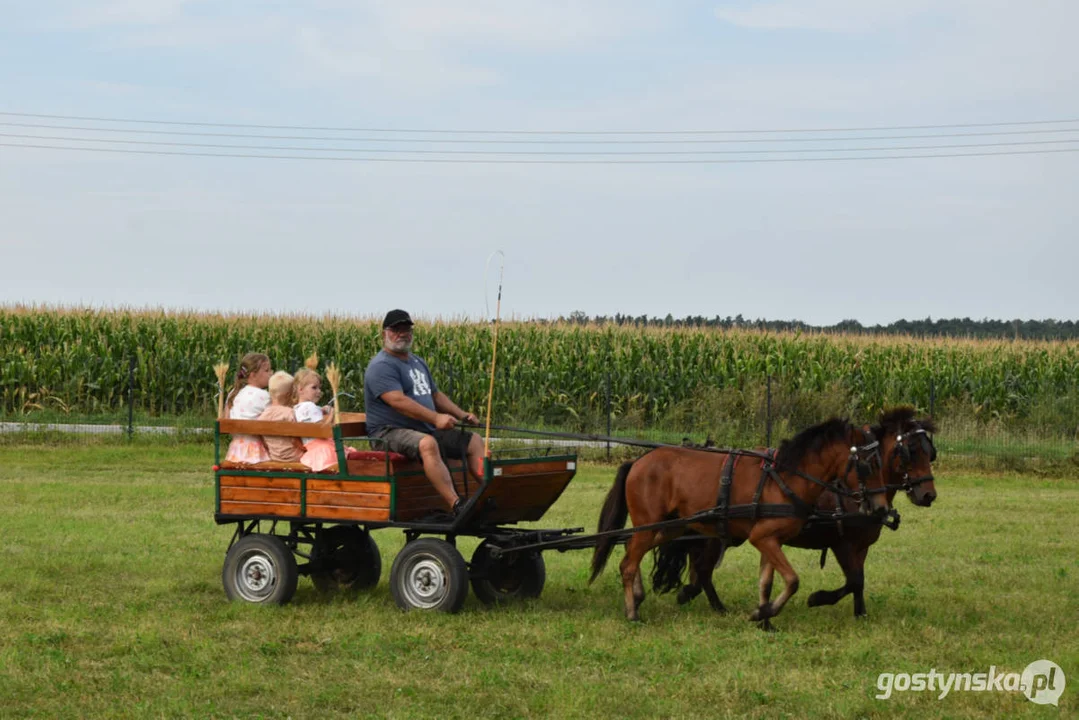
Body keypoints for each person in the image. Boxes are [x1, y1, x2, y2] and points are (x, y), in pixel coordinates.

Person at [364, 309, 482, 514]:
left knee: (474, 441)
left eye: (406, 329)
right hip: (388, 432)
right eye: (396, 329)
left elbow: (435, 395)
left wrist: (462, 415)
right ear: (384, 333)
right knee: (428, 444)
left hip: (423, 428)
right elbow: (397, 401)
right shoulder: (381, 366)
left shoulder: (417, 362)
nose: (402, 333)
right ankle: (457, 504)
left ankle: (488, 495)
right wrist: (436, 418)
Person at [224, 352, 272, 464]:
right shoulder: (263, 396)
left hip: (235, 451)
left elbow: (226, 419)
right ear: (253, 375)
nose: (270, 374)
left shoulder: (233, 394)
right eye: (267, 370)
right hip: (256, 451)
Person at [256, 371, 305, 463]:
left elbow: (263, 440)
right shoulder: (289, 413)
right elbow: (295, 440)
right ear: (288, 395)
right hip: (296, 457)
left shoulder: (263, 415)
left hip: (274, 457)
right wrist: (305, 449)